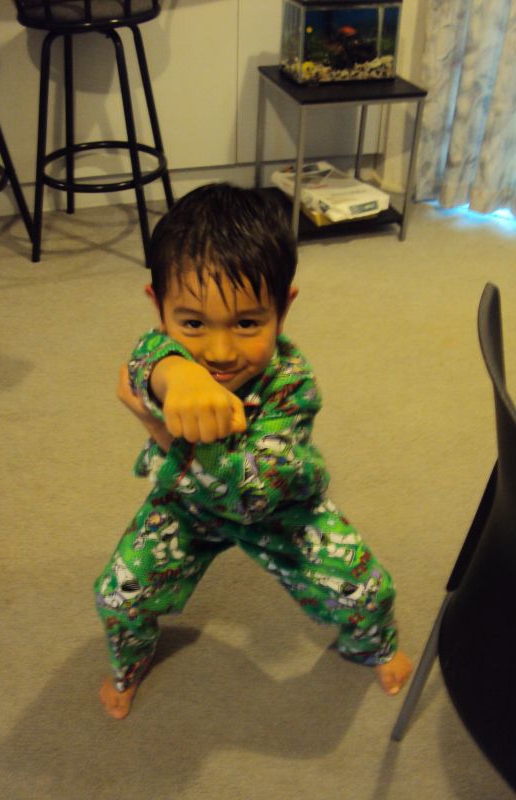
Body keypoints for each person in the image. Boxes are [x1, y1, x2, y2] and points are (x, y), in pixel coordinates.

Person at [94, 183, 412, 720]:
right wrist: (173, 374)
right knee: (118, 594)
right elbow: (144, 358)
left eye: (246, 323)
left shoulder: (294, 383)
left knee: (365, 590)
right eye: (193, 323)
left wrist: (154, 422)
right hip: (187, 506)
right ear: (159, 308)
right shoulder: (163, 347)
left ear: (282, 311)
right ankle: (131, 663)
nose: (219, 352)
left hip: (280, 509)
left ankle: (372, 648)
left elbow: (251, 497)